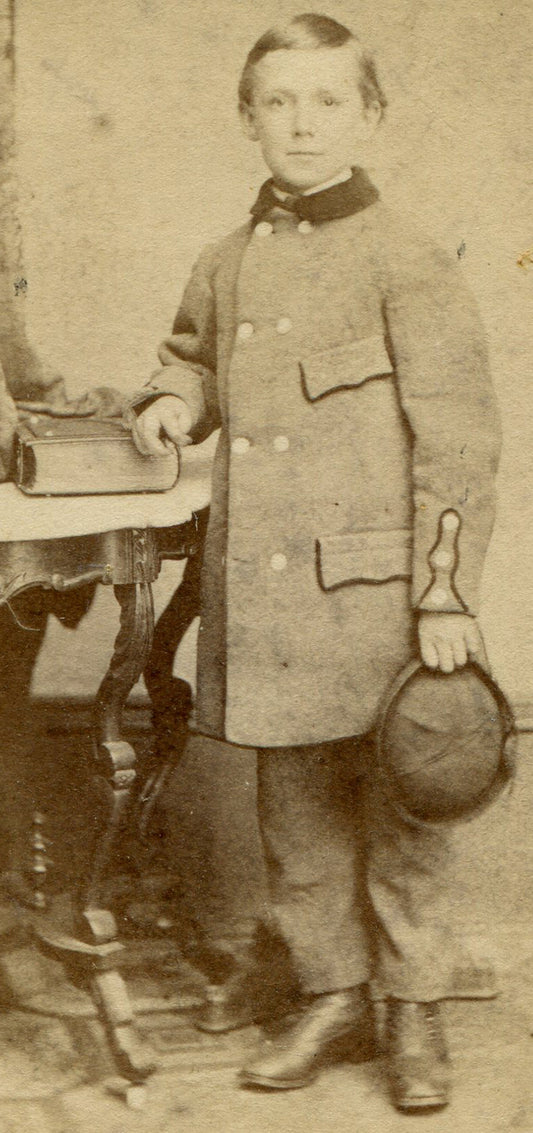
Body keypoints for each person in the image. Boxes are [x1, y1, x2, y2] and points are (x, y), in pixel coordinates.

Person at [126, 14, 501, 1112]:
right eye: (277, 101)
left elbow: (460, 440)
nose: (299, 121)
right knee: (294, 813)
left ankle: (411, 1005)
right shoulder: (225, 258)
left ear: (368, 115)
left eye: (325, 100)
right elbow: (188, 357)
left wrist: (442, 590)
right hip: (266, 600)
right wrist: (167, 402)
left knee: (402, 807)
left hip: (384, 598)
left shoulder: (405, 255)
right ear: (247, 117)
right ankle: (331, 989)